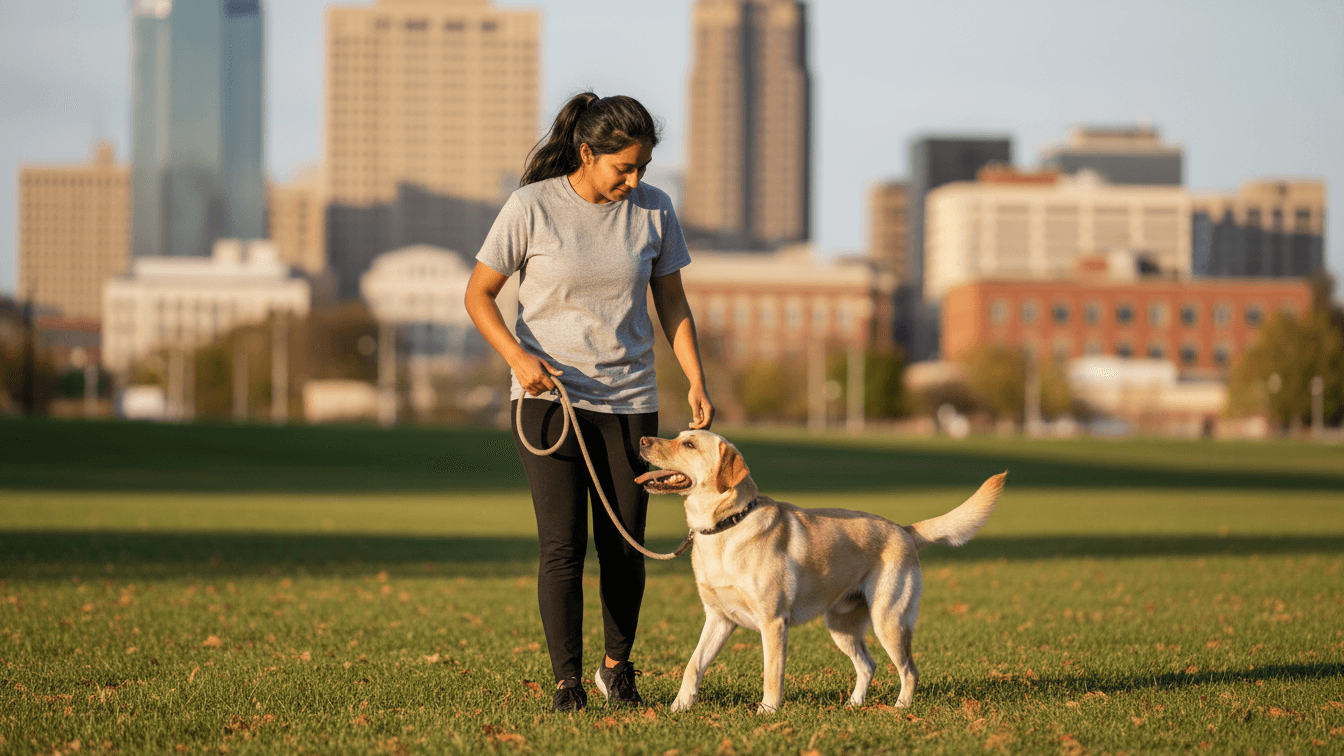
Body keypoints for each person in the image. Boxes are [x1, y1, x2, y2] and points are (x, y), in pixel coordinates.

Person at [464, 92, 714, 713]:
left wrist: (695, 378)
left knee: (626, 545)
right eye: (622, 168)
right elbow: (478, 296)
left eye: (642, 169)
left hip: (631, 403)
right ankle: (566, 682)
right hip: (549, 403)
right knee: (563, 546)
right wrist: (519, 361)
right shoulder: (531, 207)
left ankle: (615, 667)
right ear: (586, 153)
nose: (634, 181)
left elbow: (673, 303)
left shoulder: (655, 211)